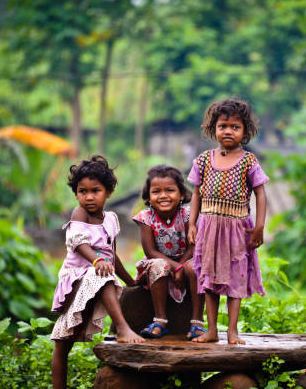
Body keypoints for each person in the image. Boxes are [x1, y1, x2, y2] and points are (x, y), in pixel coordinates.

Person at [50, 155, 144, 389]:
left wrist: (130, 280)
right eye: (82, 191)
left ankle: (122, 331)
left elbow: (113, 256)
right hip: (76, 281)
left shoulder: (111, 219)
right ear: (76, 194)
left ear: (108, 192)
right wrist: (97, 260)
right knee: (62, 344)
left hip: (100, 279)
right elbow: (79, 244)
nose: (88, 197)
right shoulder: (79, 214)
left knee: (111, 280)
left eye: (96, 190)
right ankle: (122, 328)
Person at [187, 97, 268, 345]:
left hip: (238, 229)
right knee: (209, 280)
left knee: (236, 277)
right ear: (214, 129)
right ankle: (212, 330)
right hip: (209, 228)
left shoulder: (248, 161)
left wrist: (260, 227)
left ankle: (232, 332)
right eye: (223, 126)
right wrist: (192, 224)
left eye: (235, 127)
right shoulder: (203, 160)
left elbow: (261, 194)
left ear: (245, 131)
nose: (228, 131)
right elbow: (196, 194)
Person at [133, 165, 206, 340]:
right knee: (160, 265)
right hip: (157, 262)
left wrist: (181, 266)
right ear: (149, 197)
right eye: (156, 191)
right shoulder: (145, 217)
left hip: (186, 259)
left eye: (170, 190)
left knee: (195, 266)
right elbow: (150, 251)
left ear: (181, 194)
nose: (163, 195)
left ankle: (197, 323)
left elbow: (193, 247)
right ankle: (160, 321)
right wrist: (176, 268)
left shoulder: (188, 215)